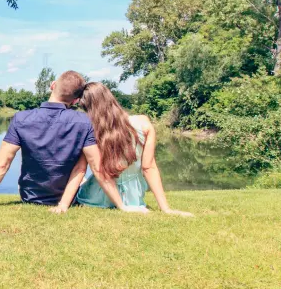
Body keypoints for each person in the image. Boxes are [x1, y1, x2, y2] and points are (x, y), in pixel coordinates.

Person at [0, 71, 146, 212]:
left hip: (30, 197)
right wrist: (122, 207)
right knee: (82, 177)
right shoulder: (83, 122)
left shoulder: (21, 119)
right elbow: (95, 168)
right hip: (67, 197)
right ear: (75, 100)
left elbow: (1, 164)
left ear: (52, 85)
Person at [60, 82, 192, 216]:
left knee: (84, 178)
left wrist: (63, 204)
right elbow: (149, 167)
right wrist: (166, 209)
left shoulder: (91, 131)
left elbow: (81, 169)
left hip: (94, 198)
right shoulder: (143, 123)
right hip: (132, 199)